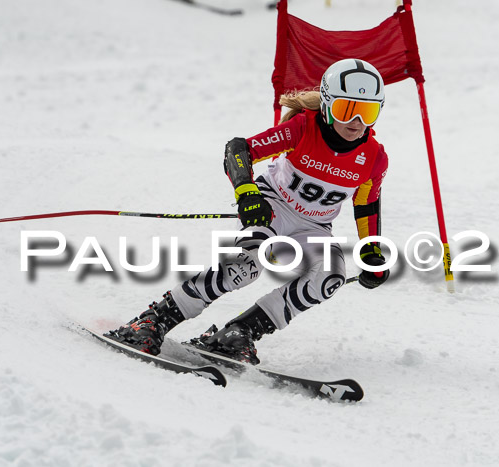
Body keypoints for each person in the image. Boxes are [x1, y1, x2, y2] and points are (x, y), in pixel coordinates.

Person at [107, 58, 390, 364]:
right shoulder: (302, 128)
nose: (358, 121)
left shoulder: (374, 157)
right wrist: (247, 194)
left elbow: (366, 204)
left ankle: (238, 333)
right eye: (347, 109)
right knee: (246, 264)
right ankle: (152, 321)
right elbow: (239, 149)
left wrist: (371, 250)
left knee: (329, 278)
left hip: (315, 227)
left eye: (368, 111)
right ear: (326, 104)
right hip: (273, 208)